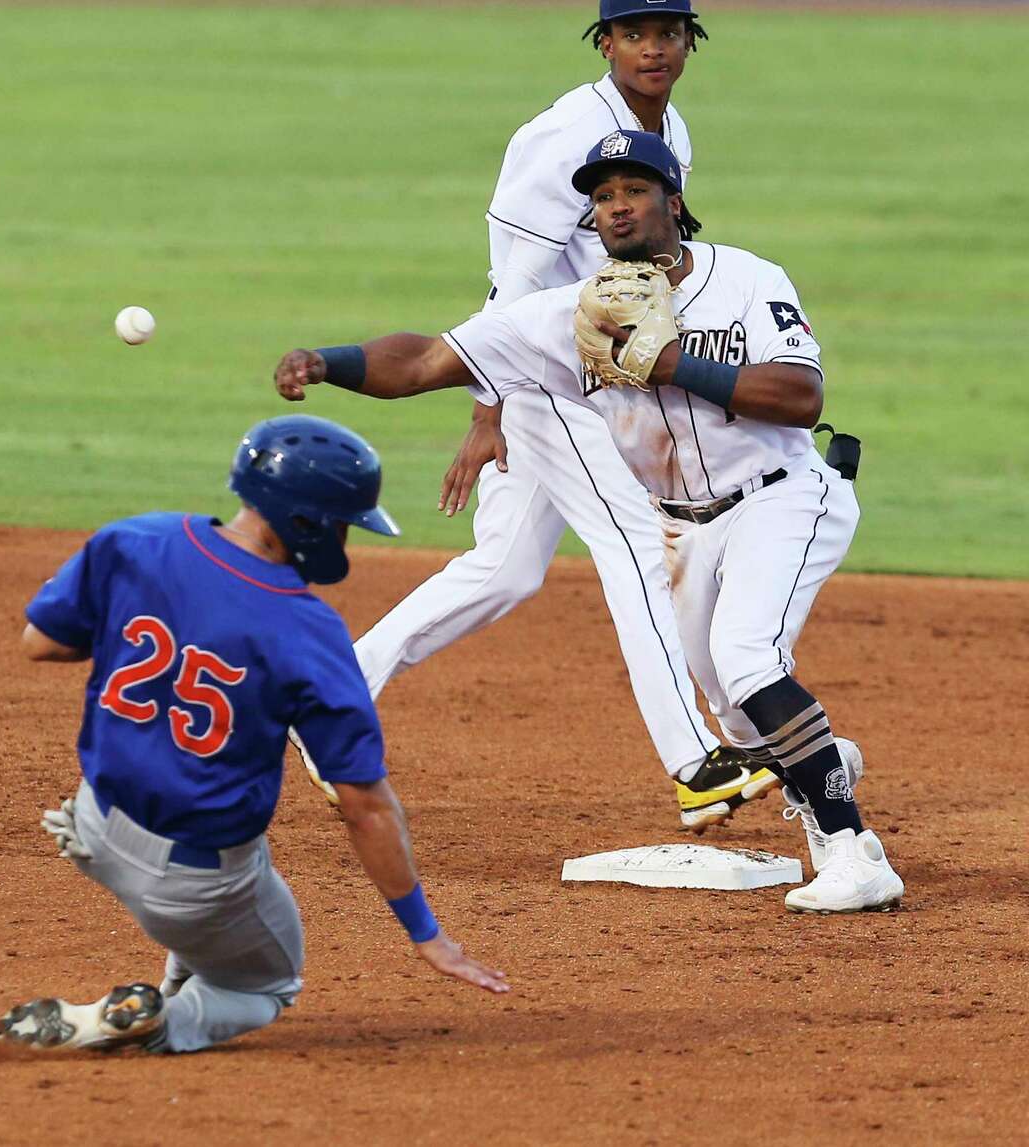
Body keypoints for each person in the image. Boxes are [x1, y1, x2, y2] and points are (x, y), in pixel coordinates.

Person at [272, 132, 904, 913]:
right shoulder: (567, 317)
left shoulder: (747, 280)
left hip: (784, 496)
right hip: (684, 529)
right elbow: (426, 360)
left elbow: (801, 397)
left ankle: (852, 850)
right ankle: (820, 763)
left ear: (672, 201)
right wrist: (326, 362)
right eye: (602, 198)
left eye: (633, 191)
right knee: (737, 710)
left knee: (745, 655)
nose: (616, 208)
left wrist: (668, 363)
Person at [340, 0, 778, 833]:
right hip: (546, 376)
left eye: (670, 33)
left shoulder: (667, 131)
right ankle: (696, 764)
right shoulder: (559, 138)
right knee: (640, 545)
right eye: (636, 33)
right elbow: (513, 285)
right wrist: (485, 406)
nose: (655, 48)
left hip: (599, 381)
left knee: (503, 567)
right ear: (604, 42)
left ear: (691, 42)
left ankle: (336, 691)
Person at [0, 414, 508, 1054]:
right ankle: (144, 1024)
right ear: (307, 523)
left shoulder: (135, 541)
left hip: (92, 823)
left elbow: (40, 642)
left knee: (231, 905)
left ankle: (175, 978)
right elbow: (365, 807)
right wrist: (426, 933)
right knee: (264, 984)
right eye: (344, 522)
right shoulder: (309, 633)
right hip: (196, 882)